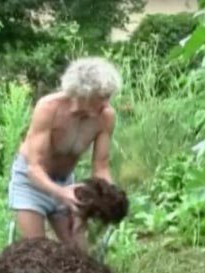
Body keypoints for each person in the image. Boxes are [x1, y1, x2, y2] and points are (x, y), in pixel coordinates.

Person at [7, 56, 121, 248]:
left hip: (65, 183)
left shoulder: (105, 117)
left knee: (80, 255)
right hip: (31, 184)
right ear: (83, 93)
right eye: (102, 97)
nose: (106, 104)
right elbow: (33, 168)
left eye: (108, 97)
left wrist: (111, 199)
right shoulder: (49, 108)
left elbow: (100, 167)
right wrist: (60, 193)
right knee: (36, 252)